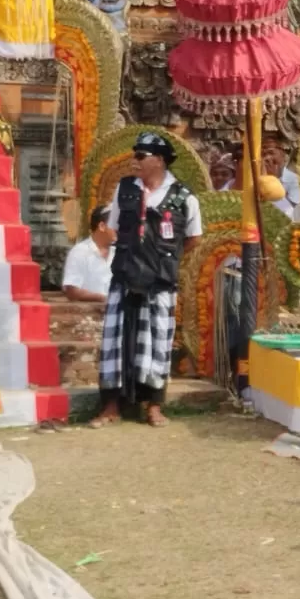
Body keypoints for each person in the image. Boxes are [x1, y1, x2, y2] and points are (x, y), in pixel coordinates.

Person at [91, 133, 202, 430]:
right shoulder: (125, 189)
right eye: (134, 156)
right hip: (125, 276)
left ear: (160, 160)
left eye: (141, 156)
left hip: (160, 281)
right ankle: (110, 406)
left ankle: (153, 406)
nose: (134, 162)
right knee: (116, 341)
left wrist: (161, 256)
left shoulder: (183, 196)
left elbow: (193, 238)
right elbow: (113, 228)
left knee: (158, 344)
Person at [62, 205, 115, 303]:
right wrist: (102, 298)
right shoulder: (80, 252)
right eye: (115, 224)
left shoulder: (118, 253)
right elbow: (72, 291)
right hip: (88, 315)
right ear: (102, 226)